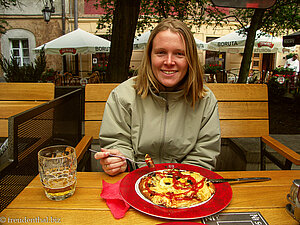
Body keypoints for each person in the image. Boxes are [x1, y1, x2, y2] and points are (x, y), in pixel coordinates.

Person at [94, 17, 221, 176]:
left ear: (190, 59)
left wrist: (170, 183)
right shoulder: (122, 96)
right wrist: (120, 161)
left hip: (185, 184)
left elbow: (204, 154)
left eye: (179, 54)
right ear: (149, 56)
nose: (169, 61)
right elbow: (117, 142)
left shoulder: (206, 100)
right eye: (161, 53)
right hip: (133, 178)